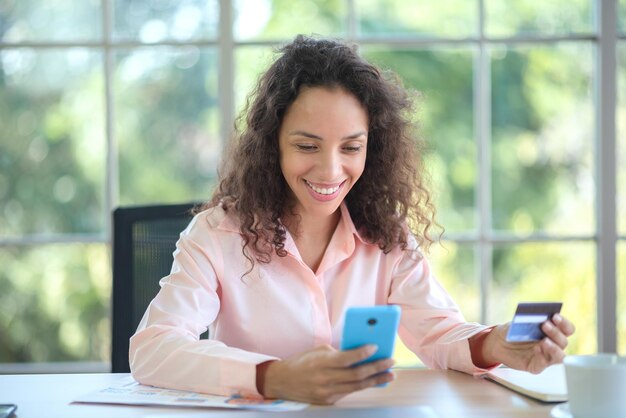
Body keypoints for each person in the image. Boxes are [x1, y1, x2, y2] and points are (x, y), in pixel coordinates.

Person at [129, 35, 575, 405]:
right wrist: (273, 377)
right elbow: (152, 349)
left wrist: (495, 344)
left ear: (372, 148)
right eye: (307, 146)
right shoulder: (217, 233)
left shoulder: (386, 236)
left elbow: (437, 331)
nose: (330, 171)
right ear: (273, 145)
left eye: (350, 147)